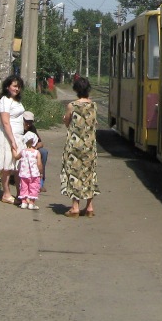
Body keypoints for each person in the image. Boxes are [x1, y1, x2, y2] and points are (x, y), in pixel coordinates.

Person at [61, 76, 99, 218]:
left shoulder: (72, 105)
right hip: (90, 145)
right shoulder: (93, 106)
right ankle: (89, 206)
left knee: (74, 174)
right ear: (88, 89)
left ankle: (75, 207)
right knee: (89, 174)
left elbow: (67, 122)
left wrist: (65, 119)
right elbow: (94, 124)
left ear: (76, 90)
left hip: (74, 146)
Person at [0, 74, 26, 205]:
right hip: (8, 136)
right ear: (7, 86)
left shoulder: (17, 101)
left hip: (18, 136)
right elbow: (5, 122)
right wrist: (12, 141)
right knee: (7, 166)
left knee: (18, 167)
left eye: (19, 87)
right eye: (15, 86)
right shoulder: (5, 100)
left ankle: (20, 193)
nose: (17, 89)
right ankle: (6, 193)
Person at [17, 132, 43, 210]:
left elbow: (16, 157)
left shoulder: (23, 151)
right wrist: (41, 172)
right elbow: (39, 164)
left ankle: (24, 202)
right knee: (34, 188)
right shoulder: (36, 152)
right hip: (34, 175)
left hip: (24, 174)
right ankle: (31, 203)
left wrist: (13, 150)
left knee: (23, 188)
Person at [22, 112, 48, 192]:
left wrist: (35, 147)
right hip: (21, 149)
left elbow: (41, 143)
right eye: (26, 122)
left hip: (31, 149)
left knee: (43, 152)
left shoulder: (32, 128)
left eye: (30, 122)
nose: (28, 124)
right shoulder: (18, 128)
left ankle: (40, 182)